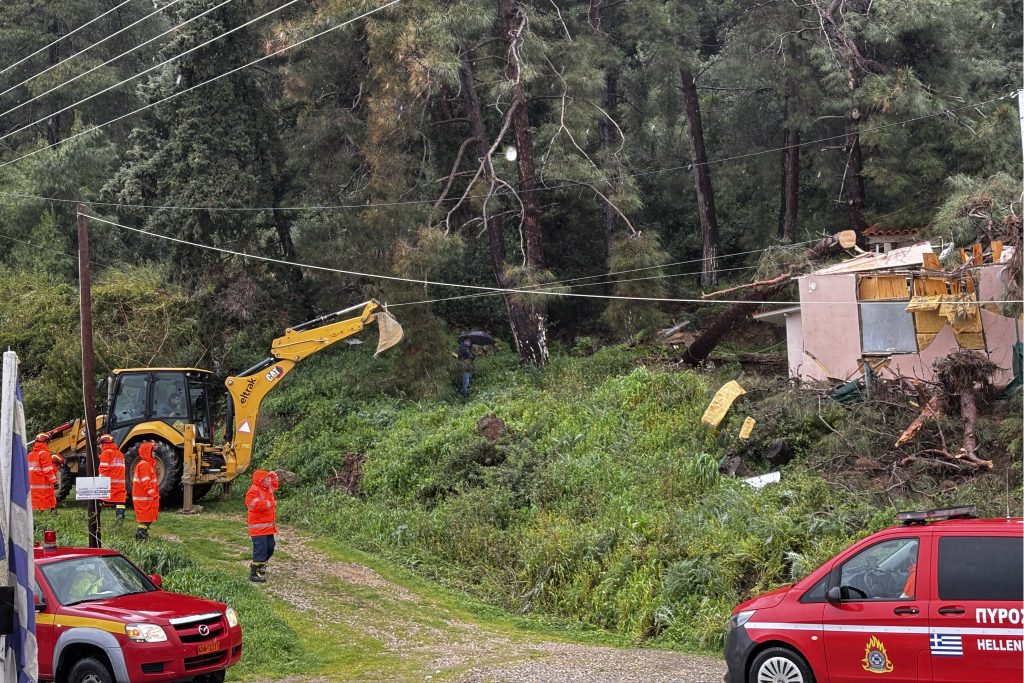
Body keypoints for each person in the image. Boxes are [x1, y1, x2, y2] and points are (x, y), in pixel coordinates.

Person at [245, 469, 278, 583]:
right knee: (260, 550)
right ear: (261, 481)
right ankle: (254, 573)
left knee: (270, 548)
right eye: (267, 479)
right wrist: (271, 503)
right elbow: (256, 505)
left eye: (269, 478)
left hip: (268, 528)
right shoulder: (253, 491)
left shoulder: (268, 488)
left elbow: (275, 484)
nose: (269, 480)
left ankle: (260, 566)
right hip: (258, 528)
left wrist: (273, 476)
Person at [131, 442, 160, 541]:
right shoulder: (145, 465)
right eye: (153, 451)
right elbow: (146, 482)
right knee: (145, 520)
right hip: (144, 498)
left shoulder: (145, 464)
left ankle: (142, 536)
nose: (155, 454)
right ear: (148, 452)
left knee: (146, 519)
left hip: (145, 497)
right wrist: (154, 494)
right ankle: (140, 536)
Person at [97, 434, 127, 521]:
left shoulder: (106, 453)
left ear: (103, 444)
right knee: (120, 502)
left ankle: (95, 517)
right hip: (120, 484)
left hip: (109, 483)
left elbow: (103, 469)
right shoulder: (120, 454)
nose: (99, 447)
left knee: (98, 499)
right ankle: (119, 518)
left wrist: (99, 483)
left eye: (100, 445)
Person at [28, 433, 58, 512]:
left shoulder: (30, 454)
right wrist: (54, 481)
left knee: (35, 499)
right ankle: (44, 513)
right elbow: (47, 469)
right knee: (44, 498)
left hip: (32, 483)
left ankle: (37, 514)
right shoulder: (44, 454)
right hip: (42, 482)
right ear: (45, 442)